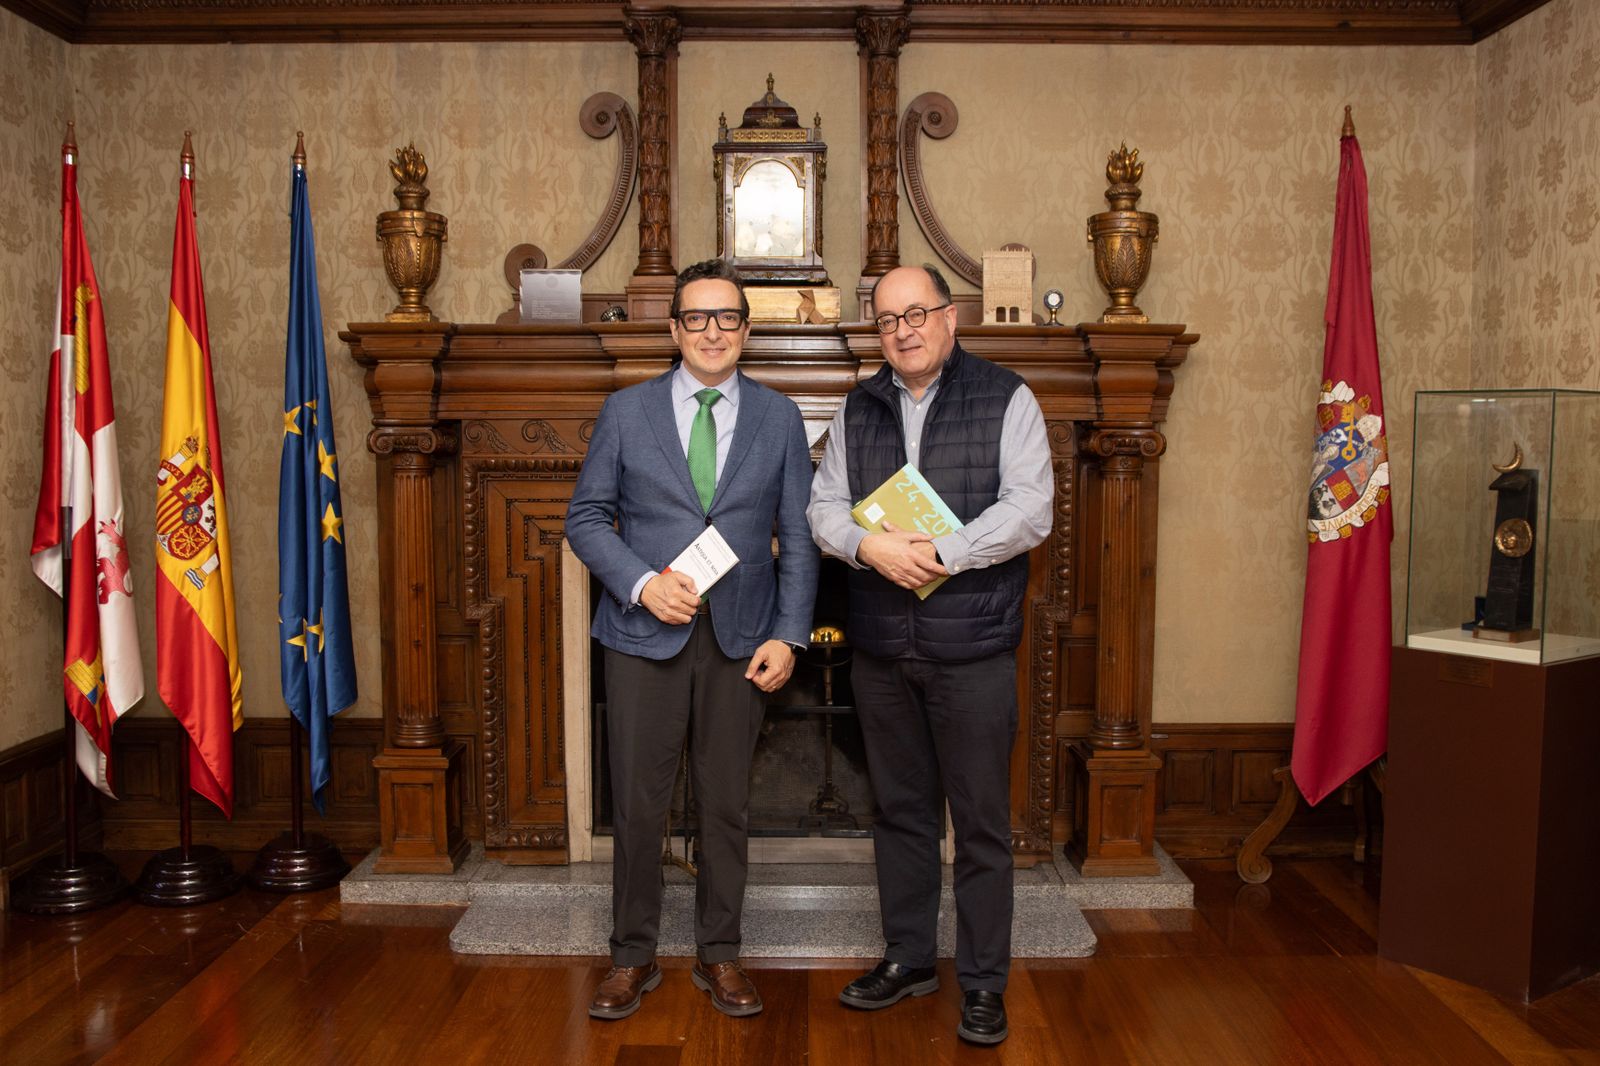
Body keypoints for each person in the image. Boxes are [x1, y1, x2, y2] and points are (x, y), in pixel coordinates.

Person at [806, 264, 1052, 1046]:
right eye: (887, 320)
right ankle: (910, 958)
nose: (903, 330)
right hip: (880, 649)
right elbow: (822, 507)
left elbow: (1030, 509)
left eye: (918, 314)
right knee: (899, 814)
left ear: (950, 319)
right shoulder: (857, 407)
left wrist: (943, 550)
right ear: (875, 332)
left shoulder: (1007, 396)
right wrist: (868, 545)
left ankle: (982, 983)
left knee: (980, 825)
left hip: (973, 651)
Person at [566, 258, 818, 1021]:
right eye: (698, 318)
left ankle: (722, 955)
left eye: (728, 318)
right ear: (675, 330)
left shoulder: (779, 417)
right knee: (639, 805)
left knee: (726, 805)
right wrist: (643, 582)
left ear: (746, 329)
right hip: (644, 635)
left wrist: (791, 636)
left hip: (742, 639)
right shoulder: (626, 412)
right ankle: (631, 958)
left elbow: (798, 541)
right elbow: (585, 520)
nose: (714, 332)